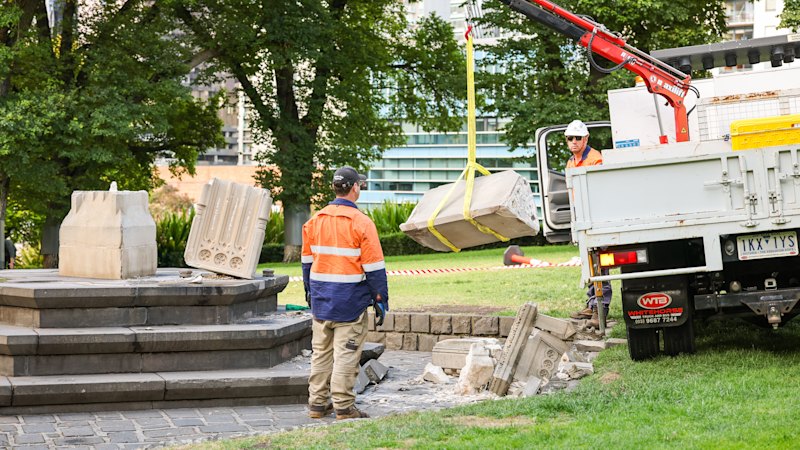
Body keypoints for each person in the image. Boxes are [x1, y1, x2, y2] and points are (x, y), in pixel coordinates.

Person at [301, 166, 389, 420]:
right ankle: (343, 407)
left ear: (334, 188)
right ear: (354, 188)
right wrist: (381, 300)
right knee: (346, 355)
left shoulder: (315, 221)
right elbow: (374, 268)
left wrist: (310, 292)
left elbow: (307, 263)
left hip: (321, 301)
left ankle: (317, 404)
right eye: (359, 185)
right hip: (350, 303)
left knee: (321, 354)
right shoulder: (361, 223)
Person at [563, 120, 612, 328]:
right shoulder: (571, 162)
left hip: (595, 217)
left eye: (577, 138)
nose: (573, 142)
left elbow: (600, 191)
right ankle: (592, 304)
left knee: (600, 262)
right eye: (570, 138)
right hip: (582, 218)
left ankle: (601, 308)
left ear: (586, 138)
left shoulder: (595, 159)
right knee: (589, 261)